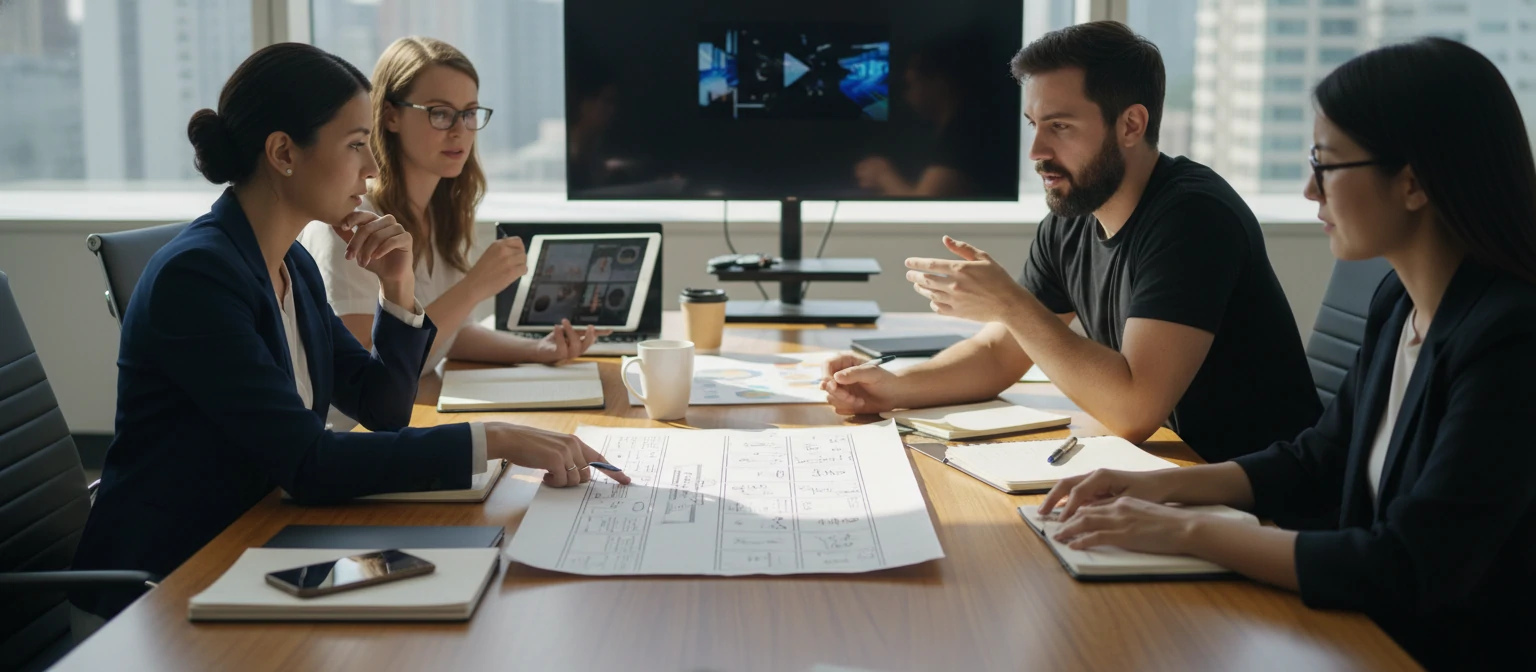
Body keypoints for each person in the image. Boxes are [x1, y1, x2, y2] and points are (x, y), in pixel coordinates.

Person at [71, 43, 629, 622]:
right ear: (284, 152)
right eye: (356, 145)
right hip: (166, 588)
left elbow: (383, 407)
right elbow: (308, 463)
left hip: (259, 539)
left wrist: (398, 289)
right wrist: (495, 438)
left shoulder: (292, 265)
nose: (372, 167)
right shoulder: (199, 279)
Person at [1038, 38, 1536, 669]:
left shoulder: (1510, 341)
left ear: (1413, 182)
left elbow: (1407, 564)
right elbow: (1318, 458)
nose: (1308, 190)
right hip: (1354, 628)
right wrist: (1155, 489)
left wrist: (1187, 531)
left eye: (1326, 165)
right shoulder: (1399, 302)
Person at [825, 21, 1320, 463]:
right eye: (1034, 126)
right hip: (1170, 473)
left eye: (1060, 126)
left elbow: (1131, 410)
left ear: (1131, 125)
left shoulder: (1193, 217)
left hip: (1253, 495)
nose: (1038, 151)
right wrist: (891, 388)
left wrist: (1010, 303)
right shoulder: (1074, 211)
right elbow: (1000, 354)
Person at [297, 37, 601, 421]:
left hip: (408, 412)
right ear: (390, 116)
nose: (459, 130)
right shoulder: (351, 221)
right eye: (440, 113)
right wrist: (474, 286)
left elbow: (448, 333)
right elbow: (366, 361)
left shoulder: (445, 213)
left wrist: (538, 350)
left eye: (470, 113)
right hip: (353, 437)